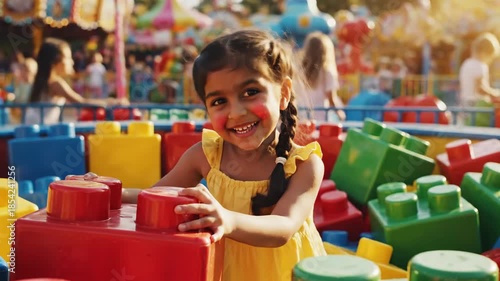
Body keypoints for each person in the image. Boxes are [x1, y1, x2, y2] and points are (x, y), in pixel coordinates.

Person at [154, 30, 326, 281]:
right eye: (219, 101)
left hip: (284, 274)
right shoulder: (205, 155)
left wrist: (227, 220)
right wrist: (112, 190)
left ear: (283, 93)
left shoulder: (304, 165)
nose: (236, 112)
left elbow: (283, 227)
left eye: (250, 92)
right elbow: (156, 196)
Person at [26, 38, 127, 125]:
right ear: (56, 61)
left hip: (35, 127)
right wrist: (113, 102)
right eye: (68, 58)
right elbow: (81, 103)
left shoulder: (43, 81)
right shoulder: (55, 83)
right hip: (42, 130)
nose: (72, 61)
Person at [300, 32, 345, 122]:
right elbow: (331, 99)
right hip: (320, 117)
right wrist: (340, 113)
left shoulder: (300, 71)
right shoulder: (327, 72)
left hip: (301, 115)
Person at [459, 32, 500, 106]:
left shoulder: (466, 63)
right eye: (490, 57)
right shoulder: (480, 65)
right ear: (484, 53)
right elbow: (480, 89)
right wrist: (495, 94)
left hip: (465, 103)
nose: (490, 61)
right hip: (476, 105)